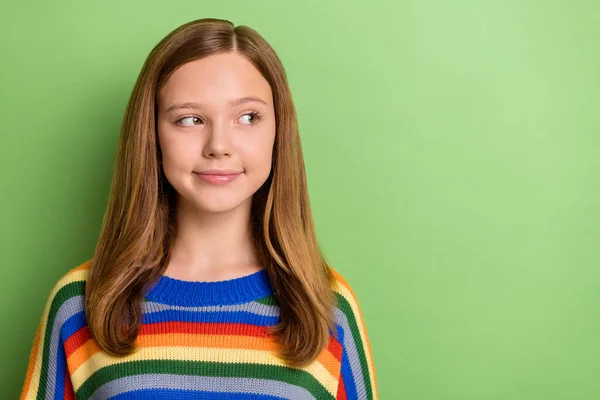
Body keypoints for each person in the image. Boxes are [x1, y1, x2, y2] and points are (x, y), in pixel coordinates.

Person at [20, 17, 378, 400]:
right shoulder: (80, 303)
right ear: (152, 136)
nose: (218, 145)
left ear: (278, 131)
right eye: (189, 119)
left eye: (248, 117)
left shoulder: (326, 305)